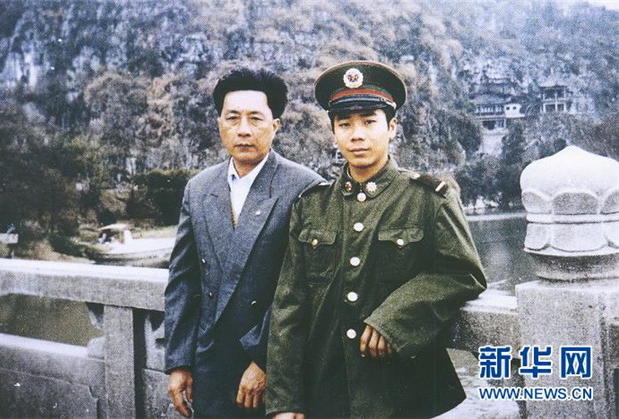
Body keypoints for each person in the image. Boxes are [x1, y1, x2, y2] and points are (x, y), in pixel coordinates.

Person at [266, 61, 487, 418]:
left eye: (369, 122)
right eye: (345, 124)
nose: (357, 135)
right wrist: (284, 401)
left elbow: (463, 272)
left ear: (392, 127)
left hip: (401, 394)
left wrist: (394, 317)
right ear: (333, 132)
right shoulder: (311, 207)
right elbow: (289, 306)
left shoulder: (428, 199)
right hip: (325, 393)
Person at [164, 67, 323, 417]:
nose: (244, 129)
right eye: (232, 118)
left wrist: (264, 360)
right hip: (210, 366)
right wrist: (178, 361)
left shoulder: (305, 187)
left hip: (276, 368)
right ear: (219, 124)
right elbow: (183, 280)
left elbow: (310, 287)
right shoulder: (199, 188)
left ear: (275, 125)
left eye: (255, 118)